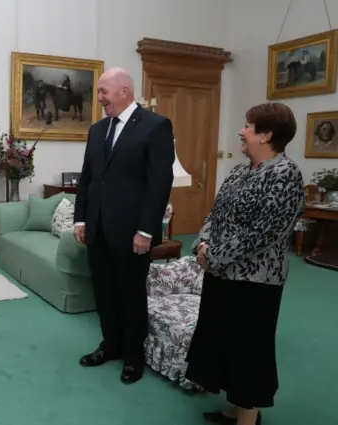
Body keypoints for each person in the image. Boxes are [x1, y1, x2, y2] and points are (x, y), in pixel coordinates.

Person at [187, 102, 304, 425]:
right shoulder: (240, 169)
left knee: (249, 351)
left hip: (255, 281)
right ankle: (234, 408)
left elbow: (266, 232)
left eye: (248, 126)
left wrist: (214, 255)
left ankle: (248, 418)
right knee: (223, 343)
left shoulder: (285, 173)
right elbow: (216, 212)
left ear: (266, 135)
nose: (241, 131)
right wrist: (202, 244)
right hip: (221, 274)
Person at [73, 67, 175, 384]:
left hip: (133, 233)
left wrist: (146, 230)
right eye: (99, 92)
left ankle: (133, 355)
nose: (100, 98)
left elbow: (159, 183)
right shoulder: (97, 129)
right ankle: (111, 345)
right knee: (103, 292)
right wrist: (81, 218)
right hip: (98, 229)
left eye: (104, 91)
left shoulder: (156, 126)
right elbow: (87, 178)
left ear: (125, 91)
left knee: (130, 295)